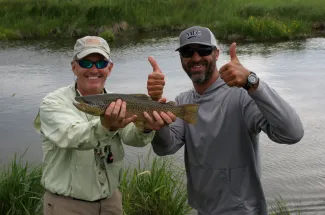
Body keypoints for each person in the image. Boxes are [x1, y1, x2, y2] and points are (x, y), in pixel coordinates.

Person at [144, 26, 304, 215]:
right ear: (181, 58)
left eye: (204, 50)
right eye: (188, 51)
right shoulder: (182, 102)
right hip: (203, 210)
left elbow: (292, 133)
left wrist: (253, 83)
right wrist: (156, 116)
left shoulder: (242, 96)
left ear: (217, 53)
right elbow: (165, 148)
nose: (196, 58)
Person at [33, 36, 155, 215]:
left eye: (101, 63)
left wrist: (146, 126)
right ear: (74, 66)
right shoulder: (53, 103)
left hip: (111, 203)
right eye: (86, 63)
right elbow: (72, 136)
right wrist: (107, 126)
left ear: (110, 68)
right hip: (66, 206)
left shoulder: (117, 102)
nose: (94, 69)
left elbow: (132, 138)